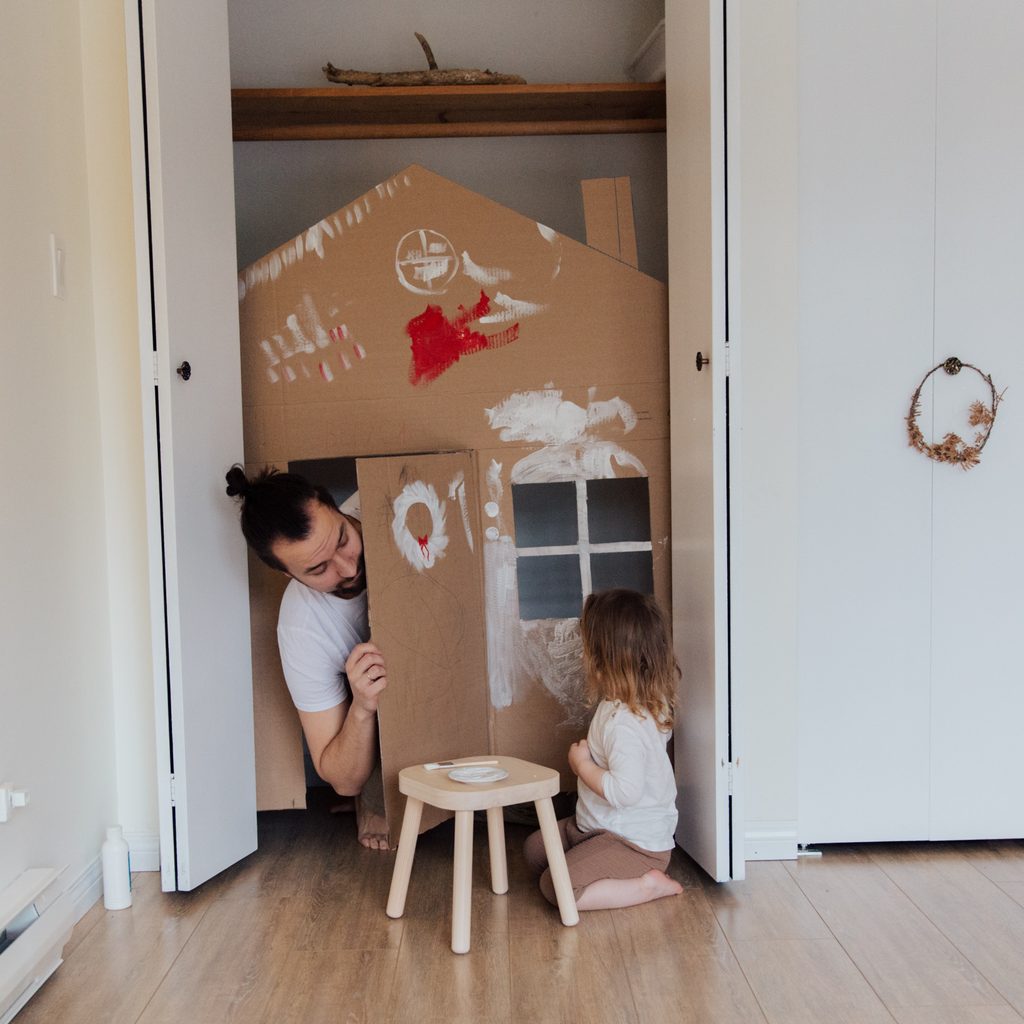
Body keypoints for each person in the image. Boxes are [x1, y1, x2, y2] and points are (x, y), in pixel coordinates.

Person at [225, 465, 389, 850]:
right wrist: (362, 707)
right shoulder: (302, 627)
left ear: (336, 507)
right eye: (318, 569)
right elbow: (341, 778)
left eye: (343, 539)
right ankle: (379, 796)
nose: (348, 568)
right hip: (388, 707)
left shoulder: (387, 505)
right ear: (287, 575)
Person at [524, 588, 684, 910]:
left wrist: (582, 765)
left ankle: (647, 885)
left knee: (557, 888)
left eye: (587, 649)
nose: (582, 656)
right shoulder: (626, 704)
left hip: (632, 844)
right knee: (534, 850)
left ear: (604, 660)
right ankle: (592, 865)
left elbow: (625, 792)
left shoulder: (626, 725)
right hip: (596, 826)